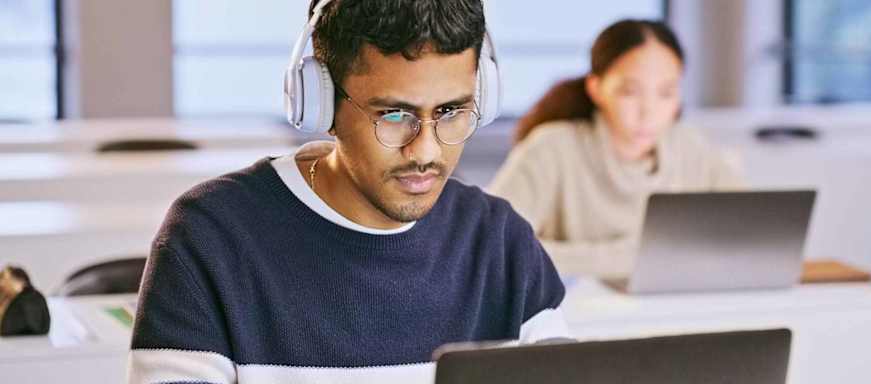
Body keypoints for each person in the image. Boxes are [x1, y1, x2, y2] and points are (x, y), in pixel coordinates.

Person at [127, 1, 569, 382]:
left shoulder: (498, 240)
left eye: (452, 111)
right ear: (321, 103)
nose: (426, 150)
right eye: (394, 115)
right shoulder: (212, 237)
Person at [488, 19, 742, 279]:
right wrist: (629, 258)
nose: (648, 112)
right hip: (578, 312)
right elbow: (493, 246)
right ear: (596, 88)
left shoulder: (690, 146)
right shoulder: (552, 148)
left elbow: (750, 230)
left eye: (666, 93)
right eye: (630, 92)